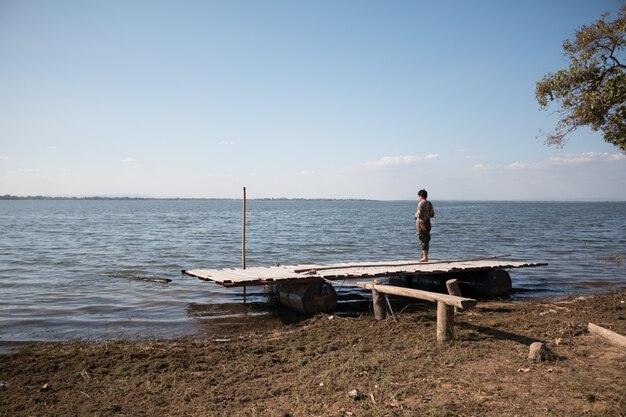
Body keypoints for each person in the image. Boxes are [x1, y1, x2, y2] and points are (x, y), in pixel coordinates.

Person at [415, 189, 435, 262]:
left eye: (418, 196)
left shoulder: (421, 203)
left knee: (422, 239)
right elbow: (432, 214)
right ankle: (424, 256)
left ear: (420, 196)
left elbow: (419, 214)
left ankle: (425, 257)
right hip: (428, 223)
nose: (418, 198)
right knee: (426, 239)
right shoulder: (429, 203)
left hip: (421, 224)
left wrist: (415, 215)